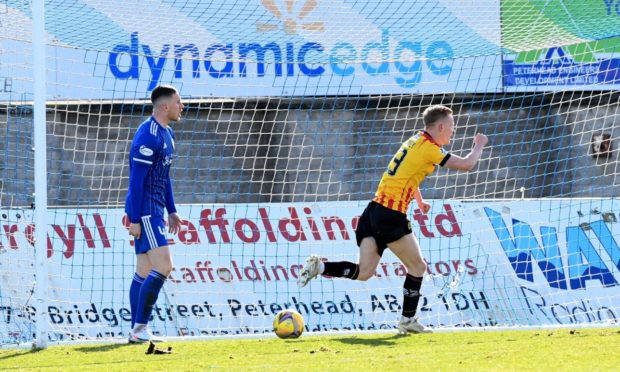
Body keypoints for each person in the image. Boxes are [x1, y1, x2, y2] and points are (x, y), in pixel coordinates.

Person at [298, 105, 488, 334]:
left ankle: (320, 266)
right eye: (451, 127)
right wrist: (478, 146)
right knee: (418, 267)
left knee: (365, 272)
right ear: (440, 126)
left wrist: (418, 200)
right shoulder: (429, 148)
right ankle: (407, 321)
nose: (453, 131)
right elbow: (467, 165)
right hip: (390, 215)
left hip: (373, 212)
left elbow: (406, 173)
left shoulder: (414, 141)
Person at [125, 85, 184, 343]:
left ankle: (135, 331)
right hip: (146, 212)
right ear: (164, 106)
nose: (182, 106)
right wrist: (135, 219)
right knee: (164, 266)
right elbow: (136, 182)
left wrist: (171, 210)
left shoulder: (167, 134)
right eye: (179, 102)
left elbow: (164, 176)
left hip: (156, 210)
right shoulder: (147, 136)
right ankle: (140, 328)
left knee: (144, 270)